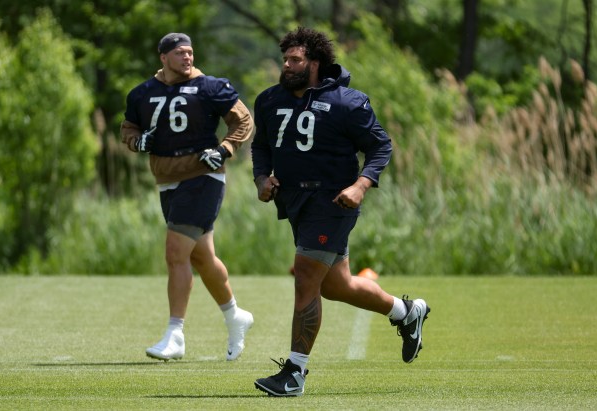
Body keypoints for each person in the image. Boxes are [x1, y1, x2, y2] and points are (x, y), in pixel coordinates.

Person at [251, 27, 430, 396]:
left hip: (333, 203)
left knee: (305, 276)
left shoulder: (349, 102)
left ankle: (294, 374)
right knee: (336, 286)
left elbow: (380, 147)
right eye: (284, 59)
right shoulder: (269, 100)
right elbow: (262, 145)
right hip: (295, 203)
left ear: (314, 63)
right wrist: (260, 178)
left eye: (295, 59)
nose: (286, 65)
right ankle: (406, 312)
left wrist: (360, 185)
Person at [121, 32, 254, 362]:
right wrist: (138, 142)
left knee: (175, 252)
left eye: (191, 52)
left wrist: (224, 149)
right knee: (200, 258)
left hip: (202, 177)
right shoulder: (142, 93)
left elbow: (243, 120)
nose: (188, 58)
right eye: (180, 53)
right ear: (163, 57)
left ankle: (175, 334)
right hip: (167, 180)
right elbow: (128, 128)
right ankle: (235, 316)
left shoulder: (211, 87)